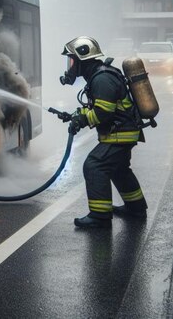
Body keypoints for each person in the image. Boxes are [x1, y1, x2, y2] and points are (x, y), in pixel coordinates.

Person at [60, 36, 147, 229]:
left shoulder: (101, 78)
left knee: (95, 165)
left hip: (120, 133)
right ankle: (136, 207)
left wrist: (82, 119)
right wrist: (77, 115)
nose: (70, 65)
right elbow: (101, 107)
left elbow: (104, 112)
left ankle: (100, 216)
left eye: (72, 60)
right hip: (123, 131)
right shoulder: (99, 75)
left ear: (84, 58)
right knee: (118, 169)